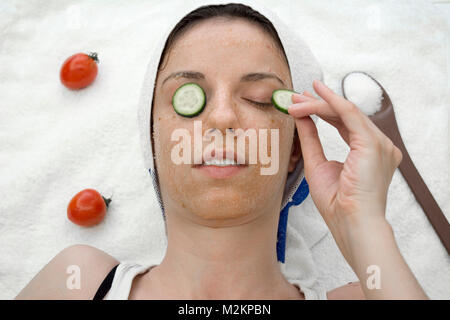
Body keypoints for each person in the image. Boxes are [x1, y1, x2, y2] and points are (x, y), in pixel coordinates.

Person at [16, 2, 428, 300]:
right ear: (154, 141)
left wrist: (363, 227)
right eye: (186, 97)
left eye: (260, 97)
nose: (222, 118)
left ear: (294, 152)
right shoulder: (78, 282)